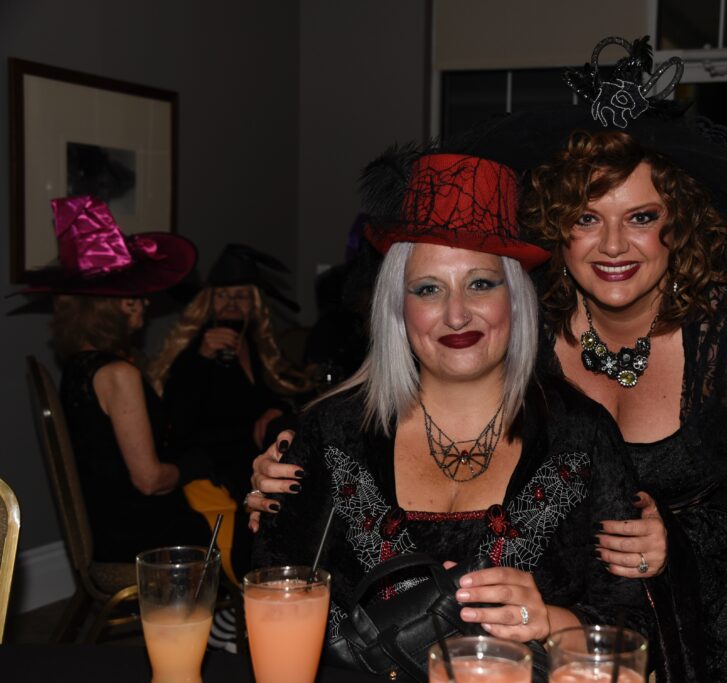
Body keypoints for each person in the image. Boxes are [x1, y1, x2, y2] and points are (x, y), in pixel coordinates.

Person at [252, 37, 727, 681]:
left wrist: (679, 539)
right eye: (586, 218)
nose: (613, 245)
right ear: (556, 227)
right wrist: (287, 468)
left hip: (693, 614)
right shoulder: (529, 312)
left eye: (640, 217)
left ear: (679, 224)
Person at [251, 152, 650, 677]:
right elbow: (272, 590)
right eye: (428, 289)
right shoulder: (333, 432)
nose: (457, 314)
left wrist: (551, 621)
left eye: (481, 284)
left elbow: (631, 627)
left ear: (516, 298)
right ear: (398, 307)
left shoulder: (581, 435)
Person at [22, 196, 211, 562]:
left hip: (108, 523)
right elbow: (149, 480)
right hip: (141, 540)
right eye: (137, 298)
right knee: (232, 516)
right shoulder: (118, 374)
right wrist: (198, 465)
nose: (146, 305)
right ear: (117, 306)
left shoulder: (78, 366)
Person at [150, 244, 312, 505]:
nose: (232, 304)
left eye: (241, 296)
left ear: (254, 304)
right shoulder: (195, 348)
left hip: (254, 460)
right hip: (216, 469)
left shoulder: (256, 345)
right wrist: (202, 357)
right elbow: (179, 420)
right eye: (223, 296)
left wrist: (277, 408)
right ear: (209, 302)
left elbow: (281, 390)